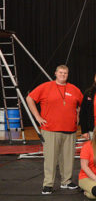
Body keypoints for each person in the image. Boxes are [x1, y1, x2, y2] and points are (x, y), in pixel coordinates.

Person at [26, 65, 83, 194]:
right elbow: (29, 98)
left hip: (70, 129)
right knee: (50, 158)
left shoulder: (74, 89)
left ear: (68, 75)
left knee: (68, 158)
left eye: (65, 73)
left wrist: (77, 115)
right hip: (51, 129)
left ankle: (66, 181)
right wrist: (37, 116)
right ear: (55, 73)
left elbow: (80, 104)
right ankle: (48, 184)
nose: (63, 75)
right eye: (61, 72)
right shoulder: (46, 86)